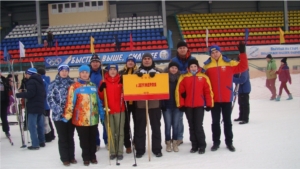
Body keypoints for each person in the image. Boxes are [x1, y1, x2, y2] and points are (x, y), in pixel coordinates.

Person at [203, 42, 248, 152]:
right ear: (210, 54)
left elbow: (243, 66)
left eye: (216, 51)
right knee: (215, 122)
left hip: (227, 98)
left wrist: (242, 53)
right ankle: (216, 142)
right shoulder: (207, 65)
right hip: (214, 100)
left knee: (227, 122)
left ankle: (229, 142)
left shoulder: (229, 63)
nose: (214, 54)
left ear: (220, 52)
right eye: (212, 52)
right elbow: (204, 83)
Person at [62, 65, 105, 166]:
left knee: (92, 138)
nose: (85, 74)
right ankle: (86, 157)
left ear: (89, 74)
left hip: (93, 118)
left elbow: (98, 102)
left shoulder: (93, 86)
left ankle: (93, 156)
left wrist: (101, 114)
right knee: (84, 139)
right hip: (80, 119)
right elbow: (70, 102)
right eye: (83, 72)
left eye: (86, 72)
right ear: (79, 74)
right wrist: (67, 116)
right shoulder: (74, 87)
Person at [176, 59, 214, 154]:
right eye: (191, 66)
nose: (193, 68)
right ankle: (194, 145)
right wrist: (181, 104)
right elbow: (179, 92)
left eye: (195, 66)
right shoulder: (184, 77)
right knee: (191, 126)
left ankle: (202, 145)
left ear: (198, 67)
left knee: (198, 126)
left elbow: (208, 92)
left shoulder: (203, 77)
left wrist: (209, 104)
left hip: (199, 106)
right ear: (188, 68)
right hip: (188, 106)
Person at [134, 53, 163, 158]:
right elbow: (131, 86)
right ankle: (140, 149)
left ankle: (157, 148)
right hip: (141, 105)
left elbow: (163, 85)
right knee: (140, 128)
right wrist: (136, 78)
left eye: (148, 59)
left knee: (156, 128)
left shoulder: (159, 71)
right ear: (142, 61)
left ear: (152, 60)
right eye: (145, 59)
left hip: (154, 104)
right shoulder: (136, 72)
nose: (147, 61)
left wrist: (157, 77)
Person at [47, 64, 76, 166]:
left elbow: (76, 98)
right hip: (58, 117)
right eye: (62, 70)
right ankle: (65, 158)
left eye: (66, 70)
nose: (64, 72)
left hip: (71, 115)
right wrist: (61, 111)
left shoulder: (72, 84)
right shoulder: (53, 84)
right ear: (59, 71)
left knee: (70, 136)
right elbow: (50, 99)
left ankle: (71, 156)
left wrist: (70, 111)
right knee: (63, 137)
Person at [170, 41, 195, 146]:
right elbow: (170, 71)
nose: (182, 49)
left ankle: (195, 137)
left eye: (184, 47)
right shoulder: (174, 60)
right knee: (179, 117)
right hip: (178, 91)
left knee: (193, 118)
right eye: (180, 48)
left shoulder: (193, 60)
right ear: (177, 50)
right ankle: (179, 137)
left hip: (191, 91)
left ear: (187, 48)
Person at [99, 64, 125, 160]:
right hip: (108, 110)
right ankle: (113, 151)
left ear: (117, 71)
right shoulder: (104, 81)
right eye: (111, 69)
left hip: (120, 110)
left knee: (119, 132)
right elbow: (101, 96)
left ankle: (120, 151)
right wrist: (101, 89)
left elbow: (126, 93)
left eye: (114, 69)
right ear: (108, 71)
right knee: (111, 131)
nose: (113, 71)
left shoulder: (121, 80)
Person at [16, 68, 46, 150]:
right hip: (40, 105)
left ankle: (35, 144)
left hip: (33, 106)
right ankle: (41, 141)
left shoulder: (31, 81)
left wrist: (19, 95)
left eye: (26, 74)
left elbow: (30, 93)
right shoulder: (40, 81)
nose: (26, 76)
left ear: (29, 74)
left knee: (31, 125)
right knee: (40, 124)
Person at [119, 56, 138, 154]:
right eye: (128, 61)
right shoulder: (121, 73)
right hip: (125, 102)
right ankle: (127, 144)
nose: (130, 62)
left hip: (136, 102)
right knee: (126, 124)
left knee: (137, 123)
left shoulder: (138, 72)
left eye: (132, 61)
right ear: (126, 62)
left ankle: (136, 141)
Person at [161, 62, 181, 152]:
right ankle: (168, 142)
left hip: (177, 106)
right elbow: (161, 91)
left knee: (176, 125)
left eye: (175, 68)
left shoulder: (180, 78)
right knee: (168, 126)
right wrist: (162, 103)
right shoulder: (164, 78)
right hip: (167, 106)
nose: (173, 69)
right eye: (172, 67)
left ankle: (175, 142)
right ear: (169, 68)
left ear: (178, 70)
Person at [89, 53, 107, 150]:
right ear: (91, 64)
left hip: (103, 102)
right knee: (94, 124)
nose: (95, 64)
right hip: (92, 103)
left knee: (105, 122)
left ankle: (107, 141)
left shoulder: (104, 73)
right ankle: (96, 143)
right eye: (93, 62)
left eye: (97, 62)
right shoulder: (88, 74)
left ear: (100, 63)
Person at [38, 68, 55, 142]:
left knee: (45, 120)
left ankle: (48, 136)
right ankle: (52, 134)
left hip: (43, 103)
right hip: (47, 104)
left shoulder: (41, 80)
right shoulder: (47, 79)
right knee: (48, 119)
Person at [0, 71, 10, 137]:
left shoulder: (4, 80)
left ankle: (6, 131)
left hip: (3, 101)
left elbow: (8, 87)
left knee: (4, 117)